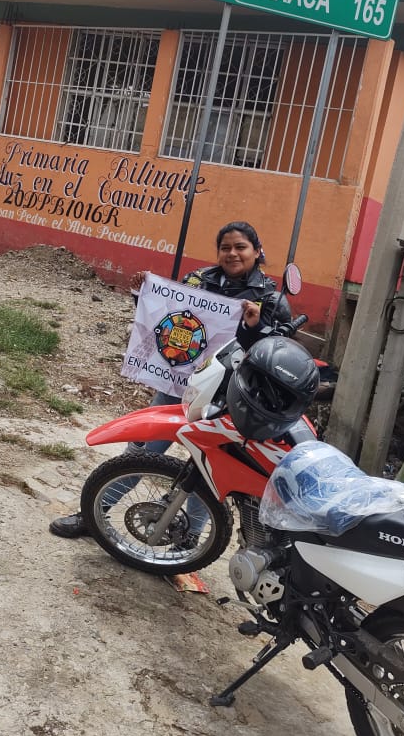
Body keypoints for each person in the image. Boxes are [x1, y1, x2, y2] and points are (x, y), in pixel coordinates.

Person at [49, 221, 292, 537]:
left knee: (208, 471)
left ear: (257, 252)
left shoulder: (271, 300)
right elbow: (168, 318)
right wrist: (143, 294)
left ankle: (188, 540)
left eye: (241, 247)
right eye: (225, 247)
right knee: (142, 454)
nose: (232, 254)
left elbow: (278, 352)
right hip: (181, 387)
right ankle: (93, 514)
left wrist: (255, 327)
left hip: (231, 400)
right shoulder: (197, 280)